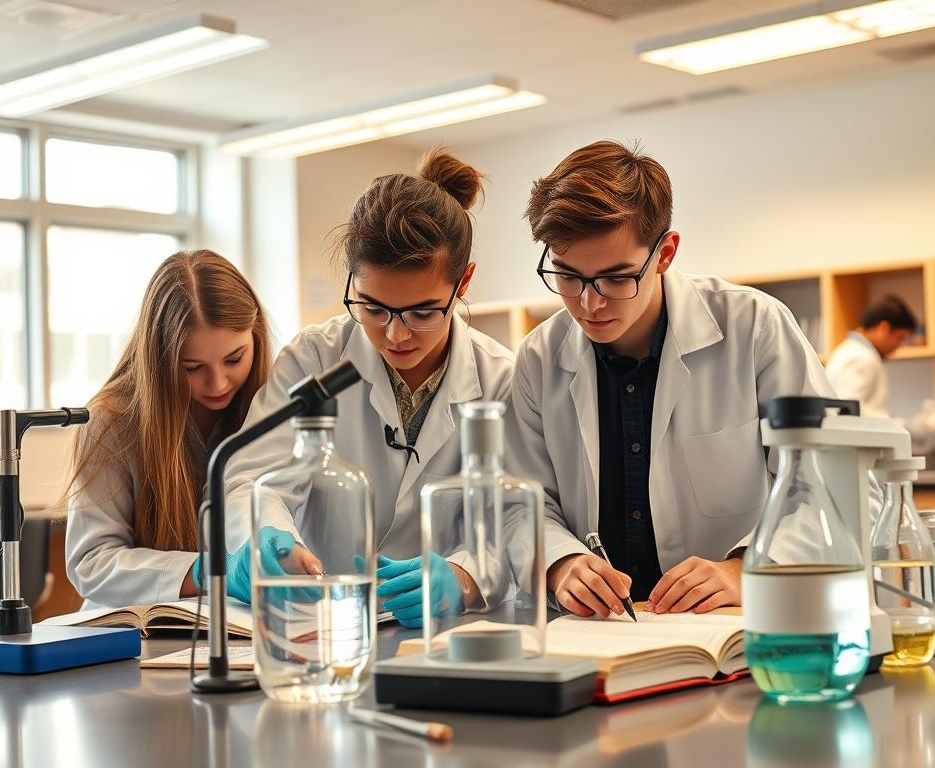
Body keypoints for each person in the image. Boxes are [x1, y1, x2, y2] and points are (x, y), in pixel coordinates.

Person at [505, 140, 841, 619]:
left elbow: (830, 483)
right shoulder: (539, 359)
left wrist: (750, 568)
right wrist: (561, 562)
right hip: (604, 633)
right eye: (568, 276)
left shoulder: (753, 326)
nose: (590, 303)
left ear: (665, 253)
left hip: (738, 628)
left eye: (616, 278)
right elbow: (522, 502)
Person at [221, 150, 514, 628]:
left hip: (439, 635)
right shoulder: (314, 359)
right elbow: (252, 479)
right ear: (352, 280)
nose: (396, 335)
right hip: (317, 624)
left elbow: (514, 521)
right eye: (374, 308)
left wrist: (463, 575)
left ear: (463, 283)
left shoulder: (499, 377)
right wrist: (272, 537)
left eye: (422, 312)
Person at [63, 249, 272, 610]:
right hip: (136, 632)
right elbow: (91, 562)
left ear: (256, 336)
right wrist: (202, 572)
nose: (218, 383)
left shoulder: (274, 406)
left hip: (241, 628)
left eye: (234, 358)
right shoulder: (112, 421)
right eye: (192, 367)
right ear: (159, 358)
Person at [826, 296, 935, 450]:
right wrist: (905, 427)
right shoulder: (860, 358)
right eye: (899, 338)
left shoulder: (852, 352)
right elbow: (847, 412)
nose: (897, 348)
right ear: (883, 328)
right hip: (854, 456)